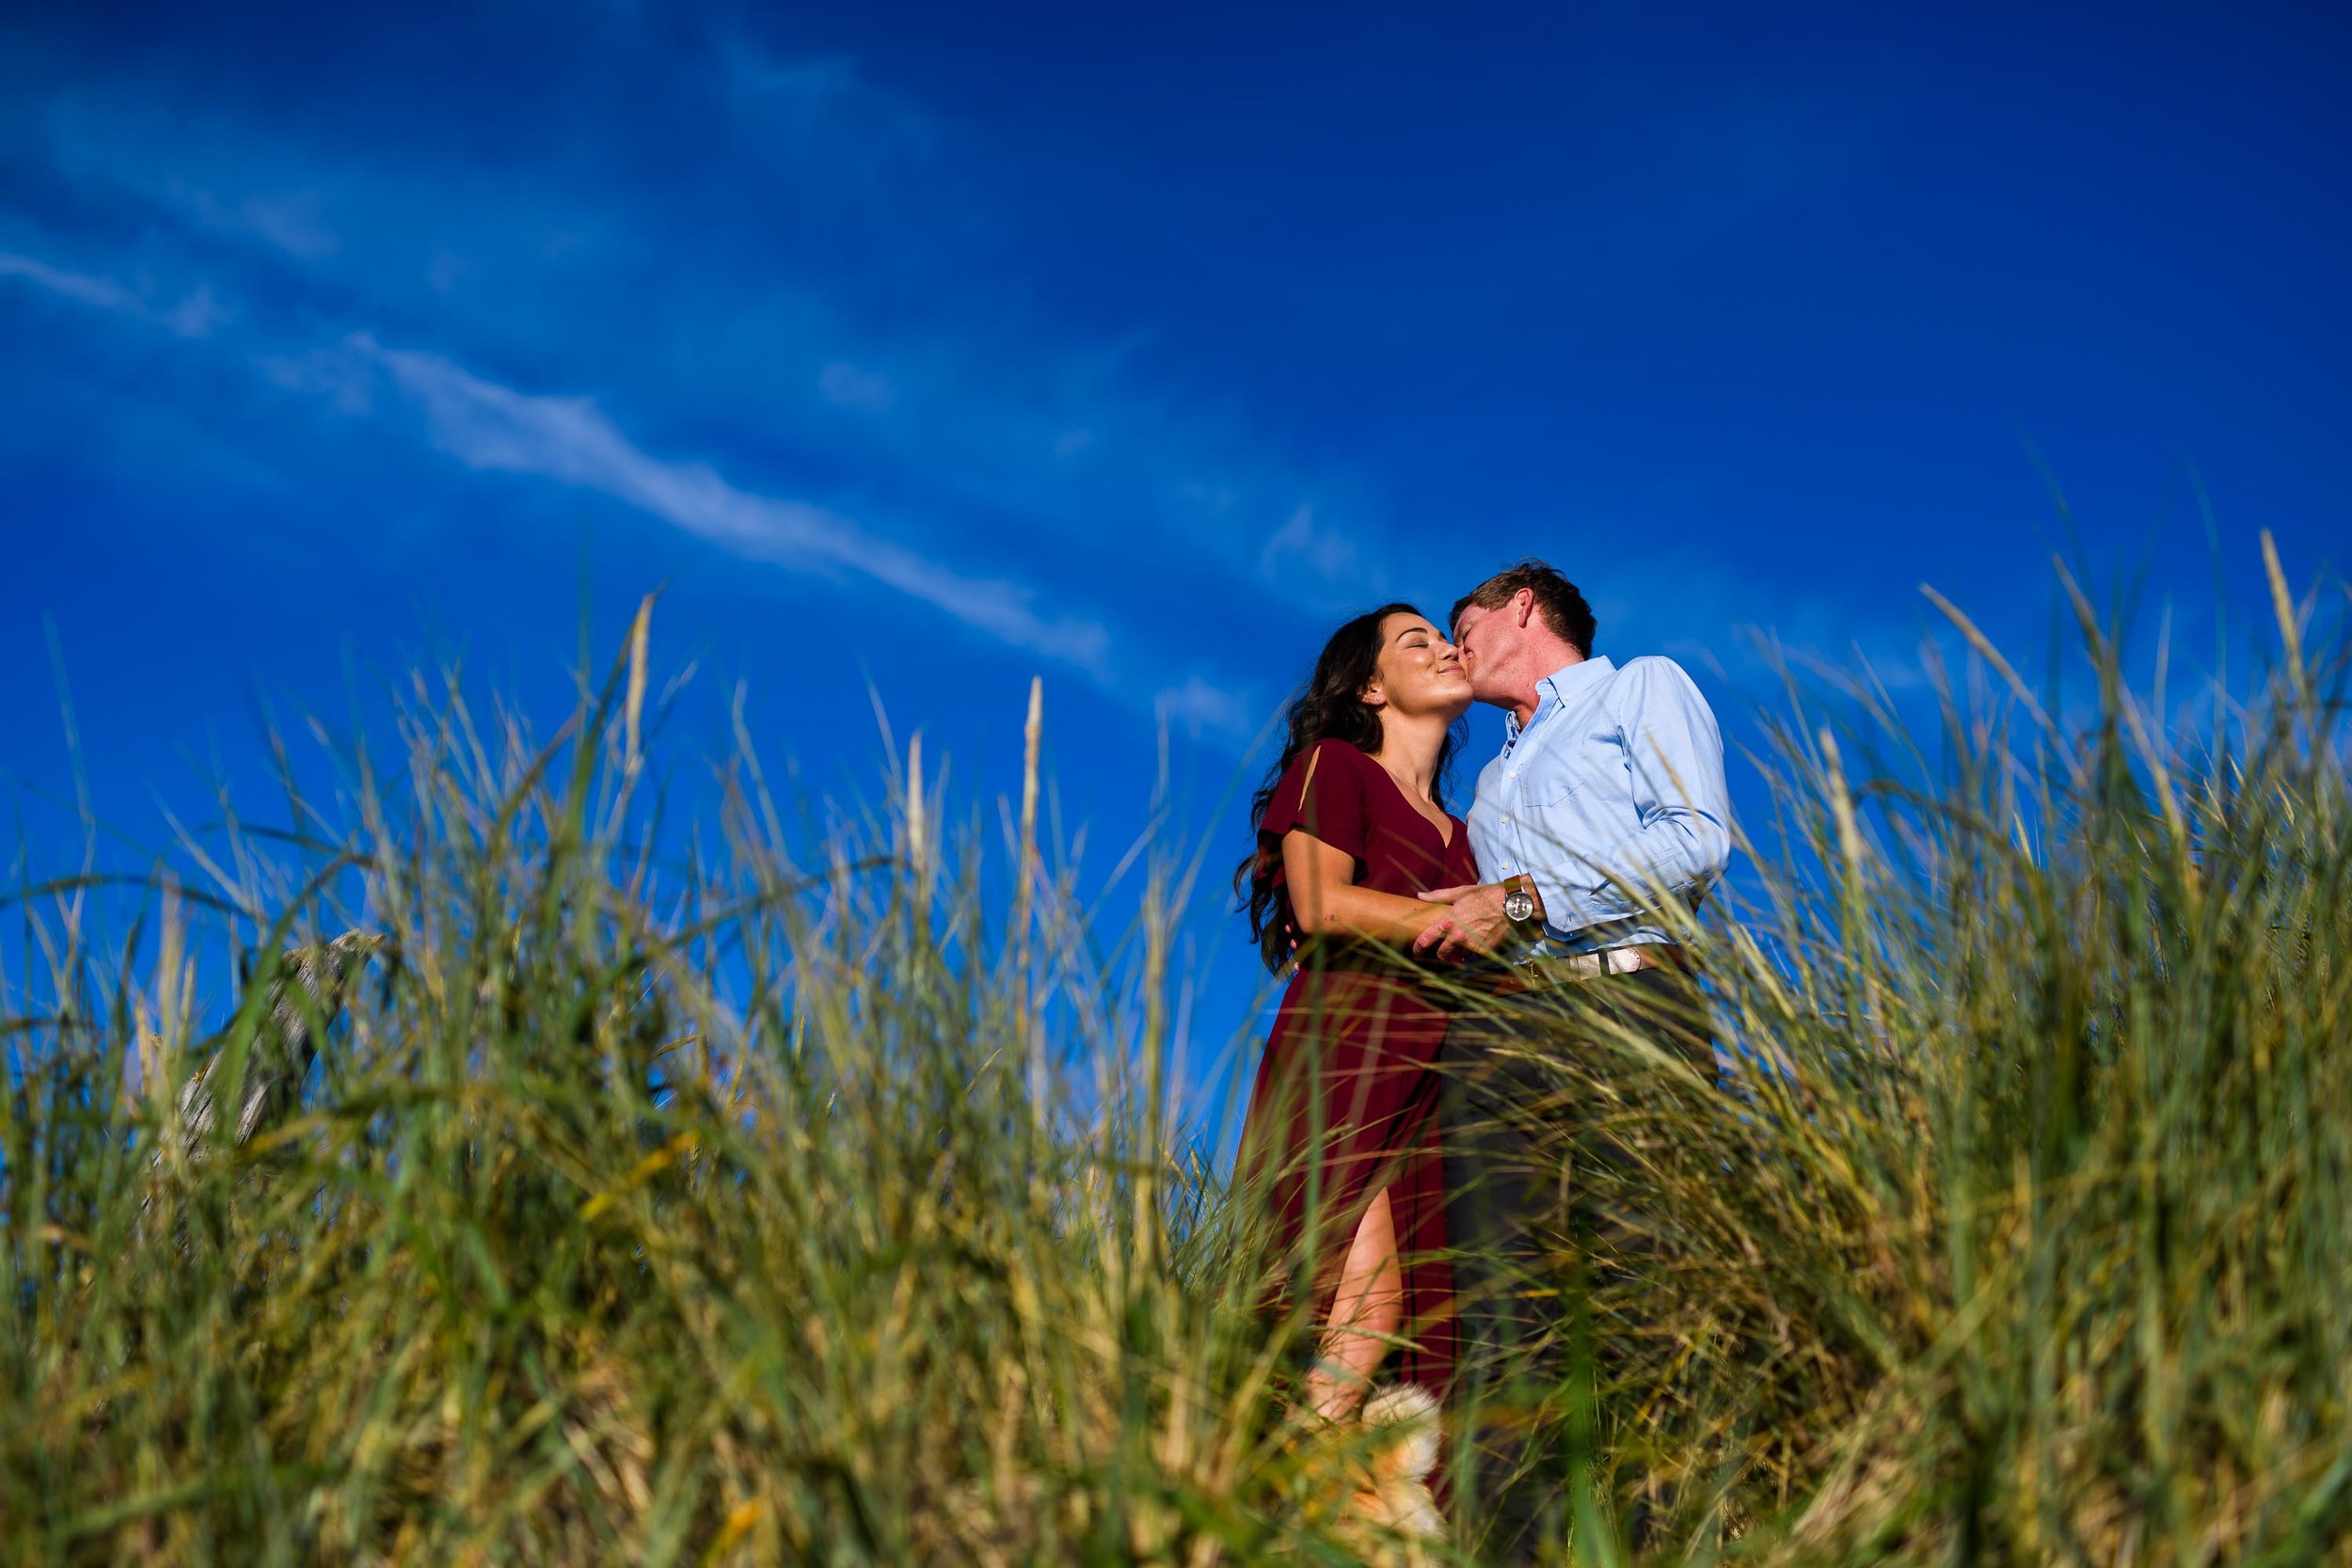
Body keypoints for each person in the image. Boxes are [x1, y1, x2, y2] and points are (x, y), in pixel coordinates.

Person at [1411, 560, 1732, 1560]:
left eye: (1462, 622)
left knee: (1645, 1278)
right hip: (1510, 1035)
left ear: (1521, 609)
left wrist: (1523, 899)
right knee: (1506, 1301)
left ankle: (1657, 1541)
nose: (1453, 644)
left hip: (1633, 1003)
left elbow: (1697, 842)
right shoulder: (1491, 780)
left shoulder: (1640, 686)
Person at [1234, 603, 1481, 1426]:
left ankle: (1346, 1518)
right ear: (1372, 687)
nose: (1447, 649)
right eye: (1419, 642)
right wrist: (1467, 914)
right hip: (1344, 1059)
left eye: (1448, 640)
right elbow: (1320, 904)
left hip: (1431, 1092)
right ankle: (1272, 1505)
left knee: (1420, 1332)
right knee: (1357, 1309)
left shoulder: (1470, 835)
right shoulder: (1334, 766)